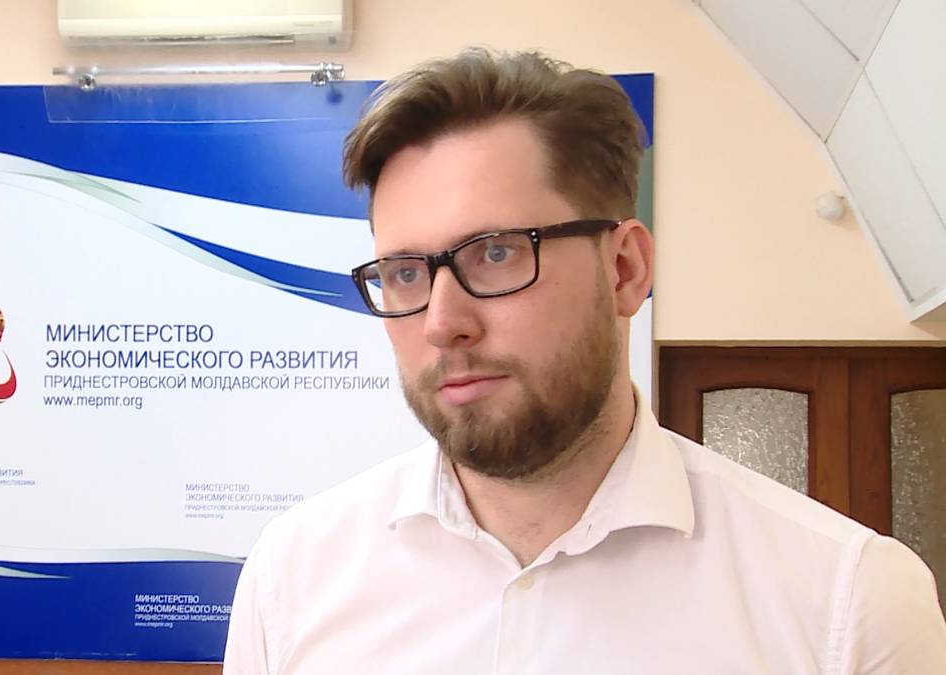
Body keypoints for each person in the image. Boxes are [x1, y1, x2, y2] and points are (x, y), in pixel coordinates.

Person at [222, 48, 946, 674]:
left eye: (496, 253)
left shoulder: (847, 602)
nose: (442, 324)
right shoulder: (294, 578)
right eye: (406, 273)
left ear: (625, 269)